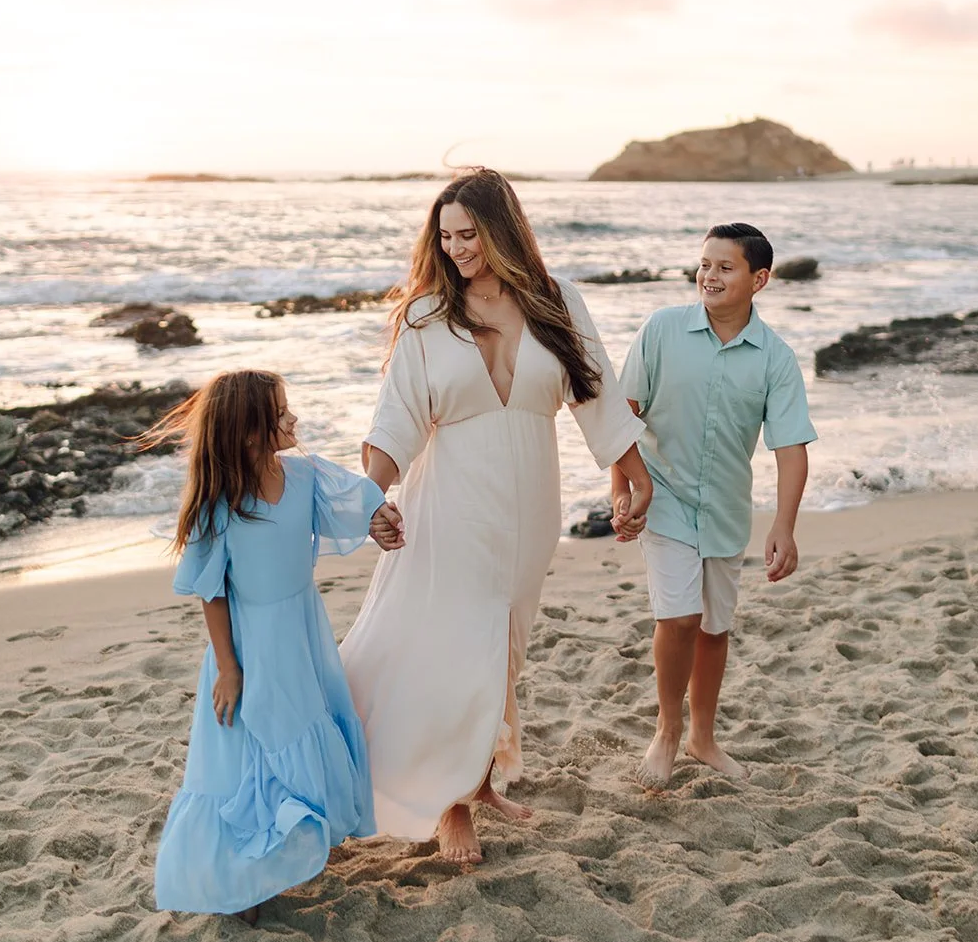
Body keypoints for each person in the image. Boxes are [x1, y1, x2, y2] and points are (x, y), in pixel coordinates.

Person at [341, 168, 651, 865]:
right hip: (451, 502)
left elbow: (596, 393)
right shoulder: (425, 316)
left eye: (468, 235)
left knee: (502, 644)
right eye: (445, 237)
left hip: (531, 503)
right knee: (457, 643)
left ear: (501, 231)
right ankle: (450, 806)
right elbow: (395, 423)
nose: (455, 249)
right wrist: (370, 497)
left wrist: (633, 477)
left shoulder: (555, 300)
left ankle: (478, 780)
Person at [149, 370, 404, 924]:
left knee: (304, 725)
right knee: (254, 748)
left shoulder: (305, 475)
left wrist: (380, 515)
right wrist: (228, 667)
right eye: (282, 412)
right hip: (251, 643)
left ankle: (295, 849)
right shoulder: (222, 503)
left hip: (302, 631)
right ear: (247, 432)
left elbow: (357, 499)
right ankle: (247, 879)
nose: (293, 420)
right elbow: (212, 591)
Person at [614, 222, 816, 789]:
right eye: (705, 265)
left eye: (725, 268)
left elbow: (792, 448)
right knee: (677, 617)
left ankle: (703, 737)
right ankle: (668, 729)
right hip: (664, 496)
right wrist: (621, 490)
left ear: (760, 279)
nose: (709, 276)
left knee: (713, 628)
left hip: (727, 508)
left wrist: (784, 526)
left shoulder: (775, 358)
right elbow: (622, 415)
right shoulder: (662, 329)